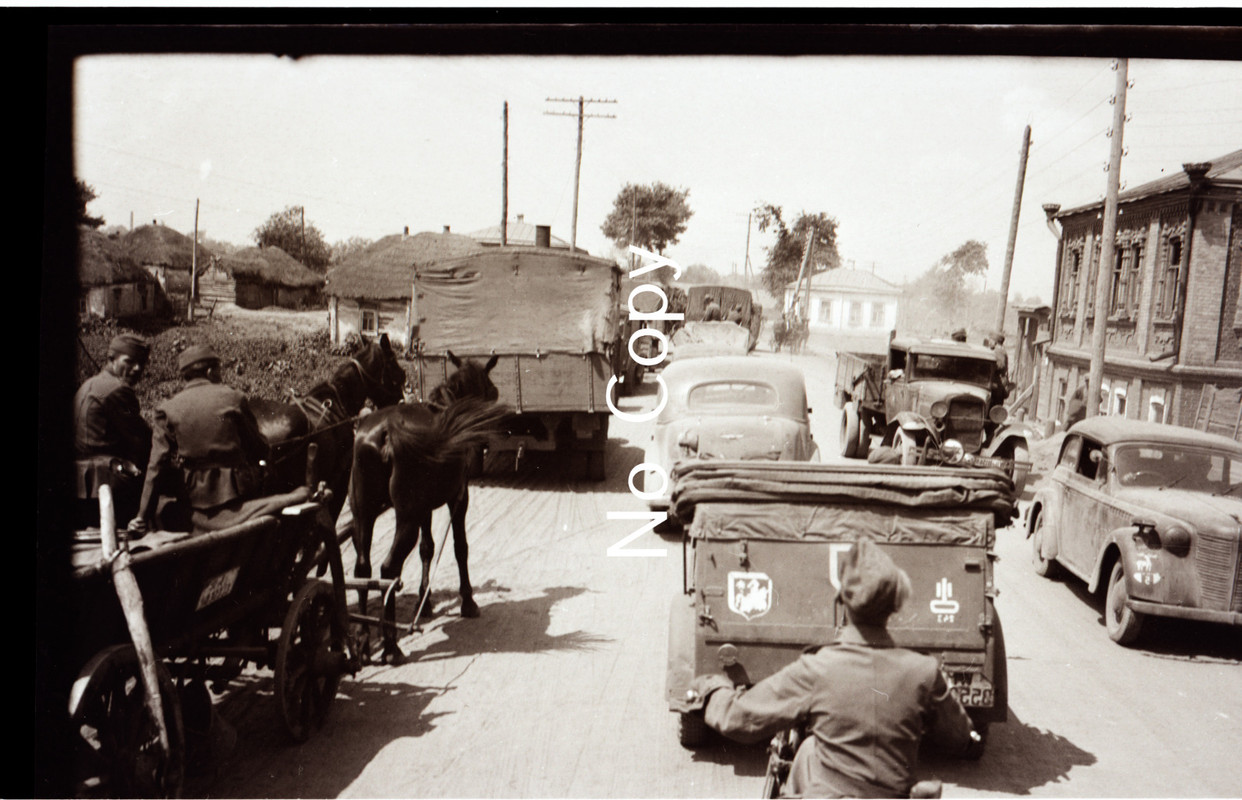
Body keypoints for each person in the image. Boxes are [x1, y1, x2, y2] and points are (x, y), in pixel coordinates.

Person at [689, 539, 978, 799]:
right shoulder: (924, 671)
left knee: (806, 755)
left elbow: (739, 719)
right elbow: (959, 737)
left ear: (841, 601)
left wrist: (709, 688)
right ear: (896, 604)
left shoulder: (818, 667)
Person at [132, 344, 271, 533]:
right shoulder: (233, 398)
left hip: (192, 495)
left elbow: (156, 465)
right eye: (219, 370)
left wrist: (142, 515)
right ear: (210, 371)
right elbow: (259, 448)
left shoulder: (168, 409)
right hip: (237, 490)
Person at [73, 333, 153, 528]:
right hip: (107, 481)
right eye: (129, 361)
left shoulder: (88, 384)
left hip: (80, 480)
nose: (137, 368)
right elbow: (141, 440)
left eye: (141, 363)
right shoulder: (118, 390)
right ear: (111, 359)